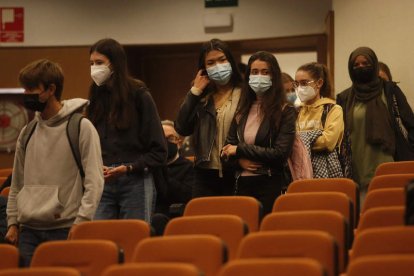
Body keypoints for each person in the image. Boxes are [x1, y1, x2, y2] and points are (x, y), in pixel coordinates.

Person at [5, 59, 104, 266]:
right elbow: (17, 183)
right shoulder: (27, 132)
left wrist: (82, 221)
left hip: (65, 228)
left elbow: (95, 181)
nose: (26, 95)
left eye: (31, 89)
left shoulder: (81, 127)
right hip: (29, 231)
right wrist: (12, 222)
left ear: (51, 89)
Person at [87, 38, 167, 222]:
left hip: (135, 178)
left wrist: (128, 168)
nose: (94, 68)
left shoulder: (139, 94)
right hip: (102, 178)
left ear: (115, 64)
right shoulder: (95, 96)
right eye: (91, 63)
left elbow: (159, 150)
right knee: (100, 240)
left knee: (133, 237)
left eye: (99, 63)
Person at [221, 51, 296, 215]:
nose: (259, 76)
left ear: (274, 76)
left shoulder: (285, 111)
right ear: (248, 76)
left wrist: (240, 149)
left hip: (269, 185)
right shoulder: (241, 111)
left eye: (265, 72)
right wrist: (239, 162)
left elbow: (280, 154)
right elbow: (226, 152)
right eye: (254, 72)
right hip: (240, 185)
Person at [337, 47, 414, 203]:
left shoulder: (390, 90)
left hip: (392, 167)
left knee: (394, 215)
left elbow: (410, 124)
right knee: (366, 217)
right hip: (358, 171)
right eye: (356, 65)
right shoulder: (344, 98)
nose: (361, 67)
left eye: (365, 63)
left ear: (374, 64)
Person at [175, 38, 243, 198]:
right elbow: (182, 127)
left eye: (222, 60)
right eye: (211, 63)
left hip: (236, 170)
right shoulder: (202, 98)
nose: (218, 66)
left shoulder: (245, 94)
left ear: (230, 61)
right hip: (205, 173)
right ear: (203, 69)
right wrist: (194, 92)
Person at [294, 62, 344, 178]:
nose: (299, 88)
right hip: (300, 170)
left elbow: (328, 142)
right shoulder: (297, 111)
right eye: (296, 84)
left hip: (326, 169)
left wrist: (300, 142)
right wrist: (313, 137)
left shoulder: (333, 109)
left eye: (304, 83)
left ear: (319, 83)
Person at [153, 120, 194, 216]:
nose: (165, 143)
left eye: (170, 138)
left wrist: (163, 173)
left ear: (179, 143)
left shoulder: (189, 167)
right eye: (161, 138)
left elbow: (188, 196)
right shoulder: (148, 168)